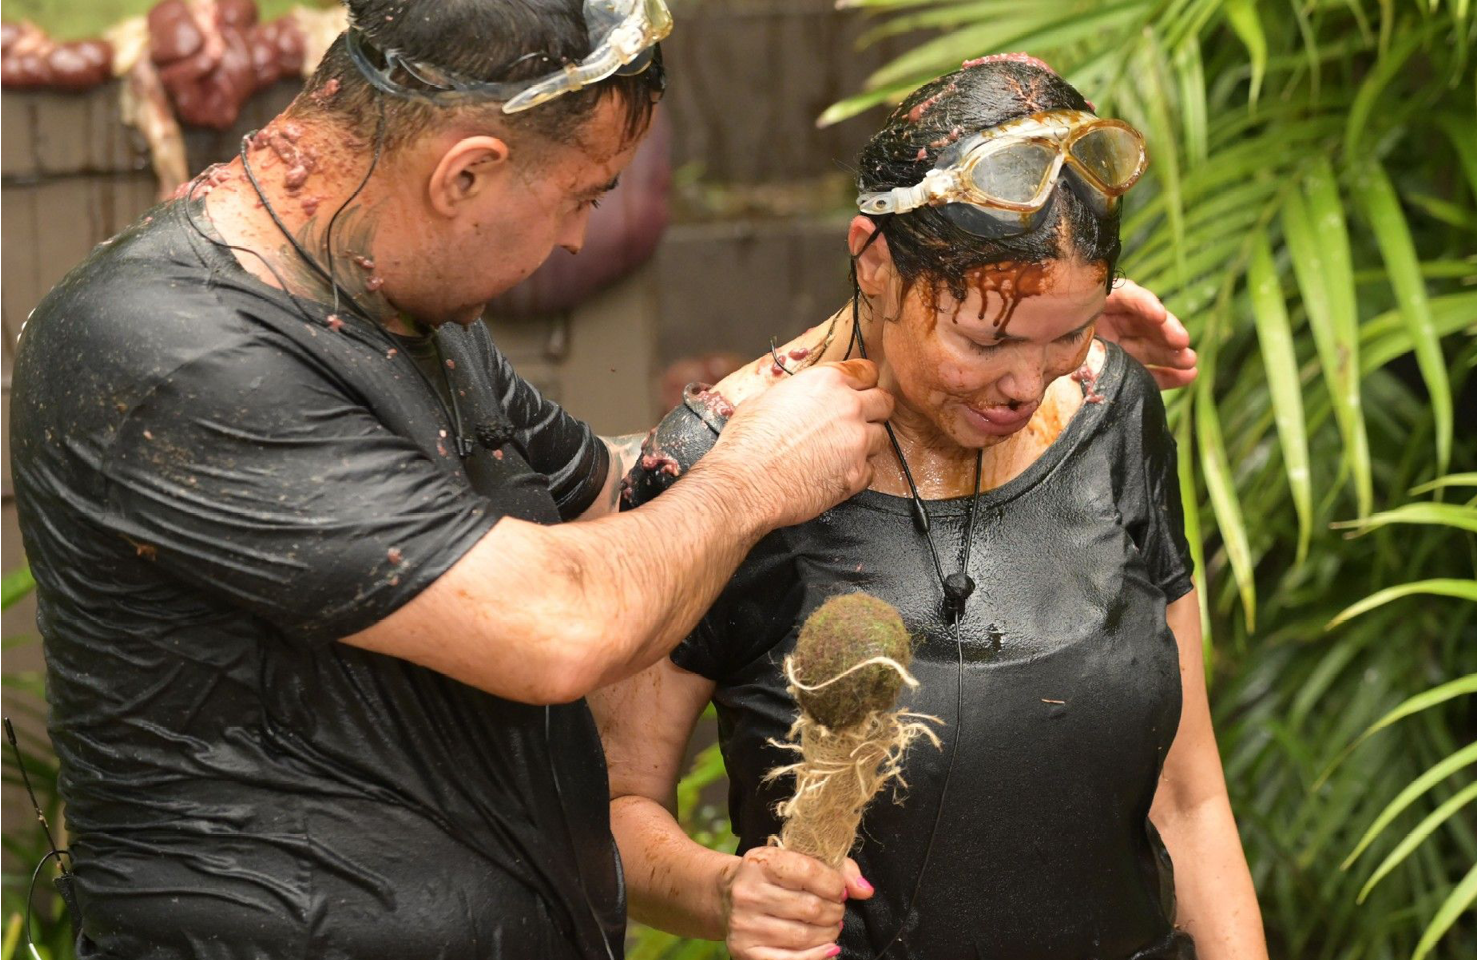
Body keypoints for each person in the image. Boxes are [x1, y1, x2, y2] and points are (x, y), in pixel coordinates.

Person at [4, 0, 1194, 956]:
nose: (578, 237)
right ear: (464, 173)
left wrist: (963, 335)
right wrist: (755, 485)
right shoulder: (168, 350)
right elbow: (560, 620)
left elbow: (617, 494)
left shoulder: (409, 314)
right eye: (578, 196)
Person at [597, 57, 1265, 960]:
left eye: (1068, 332)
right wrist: (726, 893)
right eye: (985, 338)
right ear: (873, 260)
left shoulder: (1114, 415)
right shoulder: (726, 469)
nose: (1027, 384)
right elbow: (614, 811)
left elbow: (1190, 799)